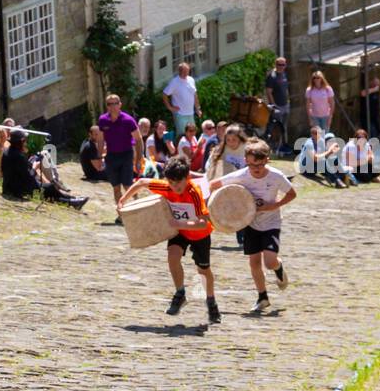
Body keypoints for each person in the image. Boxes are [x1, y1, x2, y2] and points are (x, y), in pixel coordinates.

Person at [118, 155, 221, 324]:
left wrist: (180, 222)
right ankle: (180, 294)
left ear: (187, 178)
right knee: (172, 257)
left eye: (178, 183)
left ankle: (211, 303)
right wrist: (124, 199)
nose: (175, 187)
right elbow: (142, 182)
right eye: (171, 183)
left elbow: (203, 223)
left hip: (199, 234)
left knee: (203, 271)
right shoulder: (167, 187)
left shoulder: (194, 193)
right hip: (179, 232)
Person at [208, 139, 296, 313]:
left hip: (271, 222)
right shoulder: (241, 175)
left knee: (269, 262)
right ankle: (262, 297)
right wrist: (222, 208)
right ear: (246, 161)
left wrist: (274, 206)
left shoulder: (276, 175)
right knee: (254, 263)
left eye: (260, 165)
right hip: (250, 223)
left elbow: (292, 193)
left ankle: (279, 268)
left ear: (267, 160)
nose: (256, 169)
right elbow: (213, 185)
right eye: (251, 165)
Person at [1, 129, 87, 208]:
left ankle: (72, 200)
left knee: (49, 189)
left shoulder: (7, 152)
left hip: (10, 186)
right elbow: (29, 177)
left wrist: (30, 164)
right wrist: (35, 167)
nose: (25, 143)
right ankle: (71, 201)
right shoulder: (19, 156)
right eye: (24, 141)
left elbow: (19, 171)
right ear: (20, 142)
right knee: (49, 188)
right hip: (18, 188)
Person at [97, 94, 141, 220]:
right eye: (109, 104)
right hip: (111, 156)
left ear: (120, 104)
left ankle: (137, 204)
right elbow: (100, 139)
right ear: (107, 106)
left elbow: (138, 140)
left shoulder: (128, 120)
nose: (113, 106)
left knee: (127, 185)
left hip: (126, 155)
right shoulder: (103, 120)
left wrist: (138, 159)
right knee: (116, 187)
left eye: (115, 103)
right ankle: (121, 214)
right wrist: (99, 157)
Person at [162, 62, 200, 139]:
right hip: (180, 114)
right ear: (180, 71)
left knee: (192, 134)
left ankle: (192, 150)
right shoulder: (174, 82)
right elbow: (164, 94)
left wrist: (198, 109)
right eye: (185, 71)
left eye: (188, 71)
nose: (187, 73)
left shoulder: (191, 79)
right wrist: (170, 107)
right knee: (182, 135)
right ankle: (179, 150)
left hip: (190, 113)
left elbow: (195, 95)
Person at [265, 57, 291, 153]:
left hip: (285, 105)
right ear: (276, 65)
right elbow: (268, 91)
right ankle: (271, 146)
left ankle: (282, 146)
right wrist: (273, 104)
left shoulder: (284, 74)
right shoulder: (272, 76)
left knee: (283, 127)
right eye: (279, 65)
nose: (281, 67)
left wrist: (288, 100)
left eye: (283, 65)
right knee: (274, 126)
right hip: (277, 106)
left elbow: (286, 89)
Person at [306, 70, 335, 134]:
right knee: (317, 136)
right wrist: (309, 118)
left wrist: (330, 117)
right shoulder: (309, 90)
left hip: (326, 116)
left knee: (325, 135)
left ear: (322, 78)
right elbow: (308, 105)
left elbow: (332, 103)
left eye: (318, 77)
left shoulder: (328, 89)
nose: (316, 79)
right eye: (314, 78)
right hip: (314, 116)